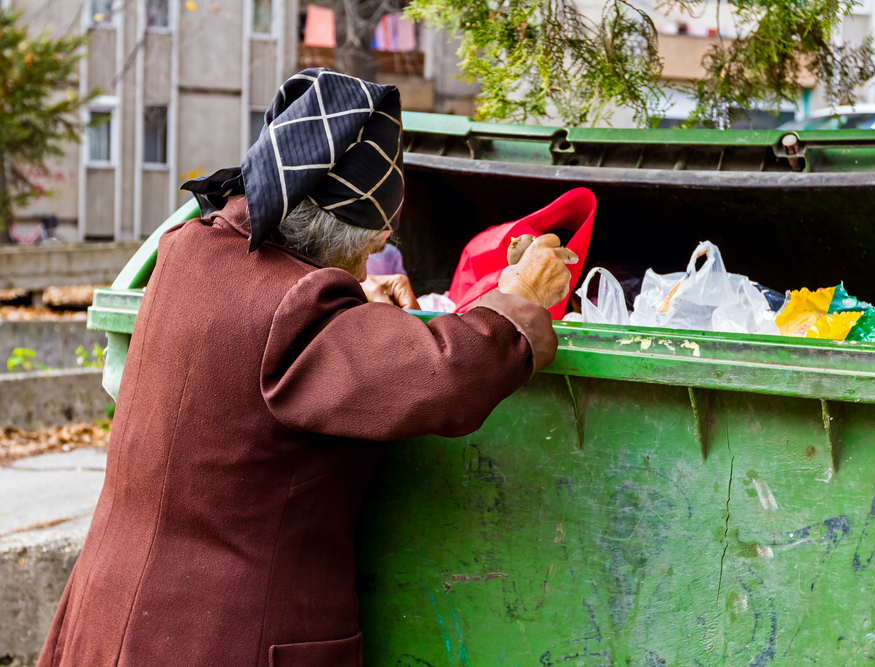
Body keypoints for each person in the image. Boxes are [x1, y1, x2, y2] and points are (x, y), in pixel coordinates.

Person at [35, 69, 577, 667]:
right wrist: (520, 296)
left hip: (109, 618)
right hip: (221, 641)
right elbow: (448, 377)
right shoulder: (298, 313)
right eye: (374, 241)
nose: (376, 253)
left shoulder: (188, 248)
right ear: (342, 230)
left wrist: (357, 314)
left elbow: (256, 351)